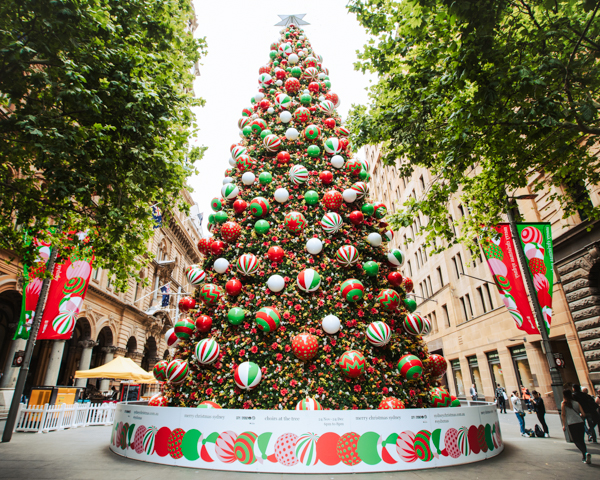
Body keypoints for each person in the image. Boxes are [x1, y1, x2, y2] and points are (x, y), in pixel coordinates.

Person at [561, 389, 591, 464]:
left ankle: (585, 453)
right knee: (581, 440)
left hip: (572, 424)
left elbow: (563, 415)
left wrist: (564, 425)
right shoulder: (576, 403)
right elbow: (583, 414)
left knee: (576, 441)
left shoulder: (563, 403)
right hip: (580, 422)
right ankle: (584, 456)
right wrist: (579, 415)